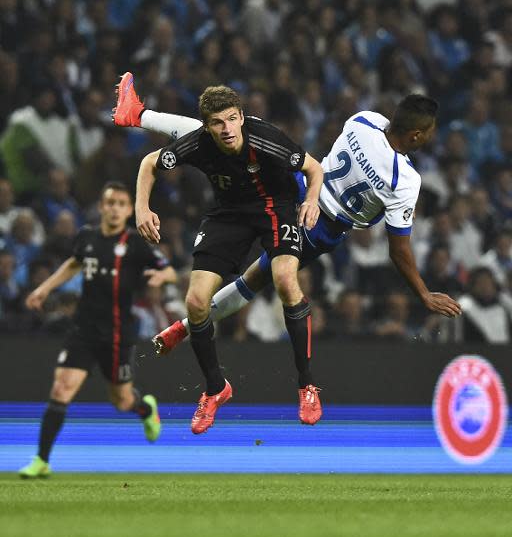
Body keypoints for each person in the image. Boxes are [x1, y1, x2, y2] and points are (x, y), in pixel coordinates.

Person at [113, 75, 462, 387]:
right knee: (257, 279)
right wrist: (423, 294)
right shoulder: (406, 180)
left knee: (221, 133)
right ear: (417, 135)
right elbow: (398, 249)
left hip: (295, 184)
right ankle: (188, 328)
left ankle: (141, 116)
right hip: (320, 225)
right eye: (428, 133)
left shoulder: (364, 121)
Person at [127, 73, 324, 432]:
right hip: (228, 214)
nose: (228, 128)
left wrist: (311, 201)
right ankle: (216, 389)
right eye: (218, 123)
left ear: (242, 117)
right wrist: (142, 208)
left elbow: (314, 168)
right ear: (207, 126)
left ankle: (307, 384)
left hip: (274, 208)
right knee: (195, 301)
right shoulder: (199, 143)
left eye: (233, 118)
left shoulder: (267, 140)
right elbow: (149, 164)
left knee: (284, 279)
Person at [18, 180, 177, 478]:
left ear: (129, 210)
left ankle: (145, 409)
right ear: (102, 207)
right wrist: (44, 288)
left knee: (122, 401)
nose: (115, 209)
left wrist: (161, 277)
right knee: (61, 388)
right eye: (110, 203)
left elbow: (168, 267)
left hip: (117, 334)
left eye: (121, 204)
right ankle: (41, 460)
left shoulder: (135, 243)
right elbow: (74, 263)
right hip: (84, 329)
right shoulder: (87, 237)